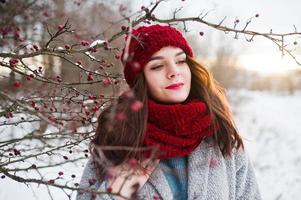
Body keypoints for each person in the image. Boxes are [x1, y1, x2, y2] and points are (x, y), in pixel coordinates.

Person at [76, 24, 262, 200]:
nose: (174, 71)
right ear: (141, 80)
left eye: (180, 61)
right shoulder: (118, 140)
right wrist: (116, 190)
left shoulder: (220, 136)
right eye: (157, 66)